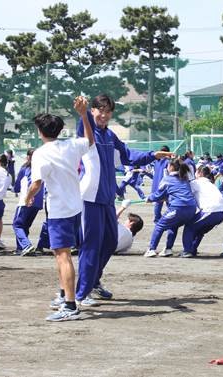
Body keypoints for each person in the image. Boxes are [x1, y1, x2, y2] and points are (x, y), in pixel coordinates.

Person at [74, 94, 170, 305]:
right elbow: (84, 124)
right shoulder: (86, 130)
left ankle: (92, 282)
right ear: (93, 111)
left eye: (108, 111)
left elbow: (128, 154)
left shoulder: (110, 136)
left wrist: (153, 155)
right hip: (89, 197)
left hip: (108, 198)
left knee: (109, 242)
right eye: (101, 110)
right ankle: (79, 294)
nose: (104, 115)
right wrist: (83, 112)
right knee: (91, 245)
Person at [25, 96, 95, 322]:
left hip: (59, 209)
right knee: (61, 254)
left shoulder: (41, 153)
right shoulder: (71, 145)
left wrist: (27, 197)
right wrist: (84, 115)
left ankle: (70, 305)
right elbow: (90, 140)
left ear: (40, 131)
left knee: (62, 256)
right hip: (75, 206)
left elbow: (36, 183)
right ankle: (65, 294)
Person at [145, 158, 197, 258]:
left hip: (178, 208)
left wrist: (149, 198)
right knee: (173, 225)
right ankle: (168, 249)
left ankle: (151, 249)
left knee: (159, 225)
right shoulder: (184, 178)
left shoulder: (167, 179)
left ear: (171, 167)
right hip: (191, 208)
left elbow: (158, 194)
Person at [180, 166, 223, 258]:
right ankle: (192, 249)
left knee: (189, 227)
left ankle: (187, 251)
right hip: (222, 212)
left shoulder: (196, 183)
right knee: (199, 230)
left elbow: (184, 191)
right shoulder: (211, 184)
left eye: (196, 172)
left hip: (210, 211)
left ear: (200, 173)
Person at [13, 148, 44, 256]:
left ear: (27, 157)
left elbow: (18, 185)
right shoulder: (42, 168)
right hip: (38, 203)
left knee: (17, 225)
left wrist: (26, 196)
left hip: (26, 201)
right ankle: (20, 248)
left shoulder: (26, 168)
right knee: (24, 226)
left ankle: (26, 245)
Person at [151, 145, 170, 223]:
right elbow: (167, 174)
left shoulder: (157, 161)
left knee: (158, 203)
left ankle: (157, 218)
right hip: (164, 185)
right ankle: (169, 217)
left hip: (156, 184)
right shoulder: (168, 162)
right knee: (169, 202)